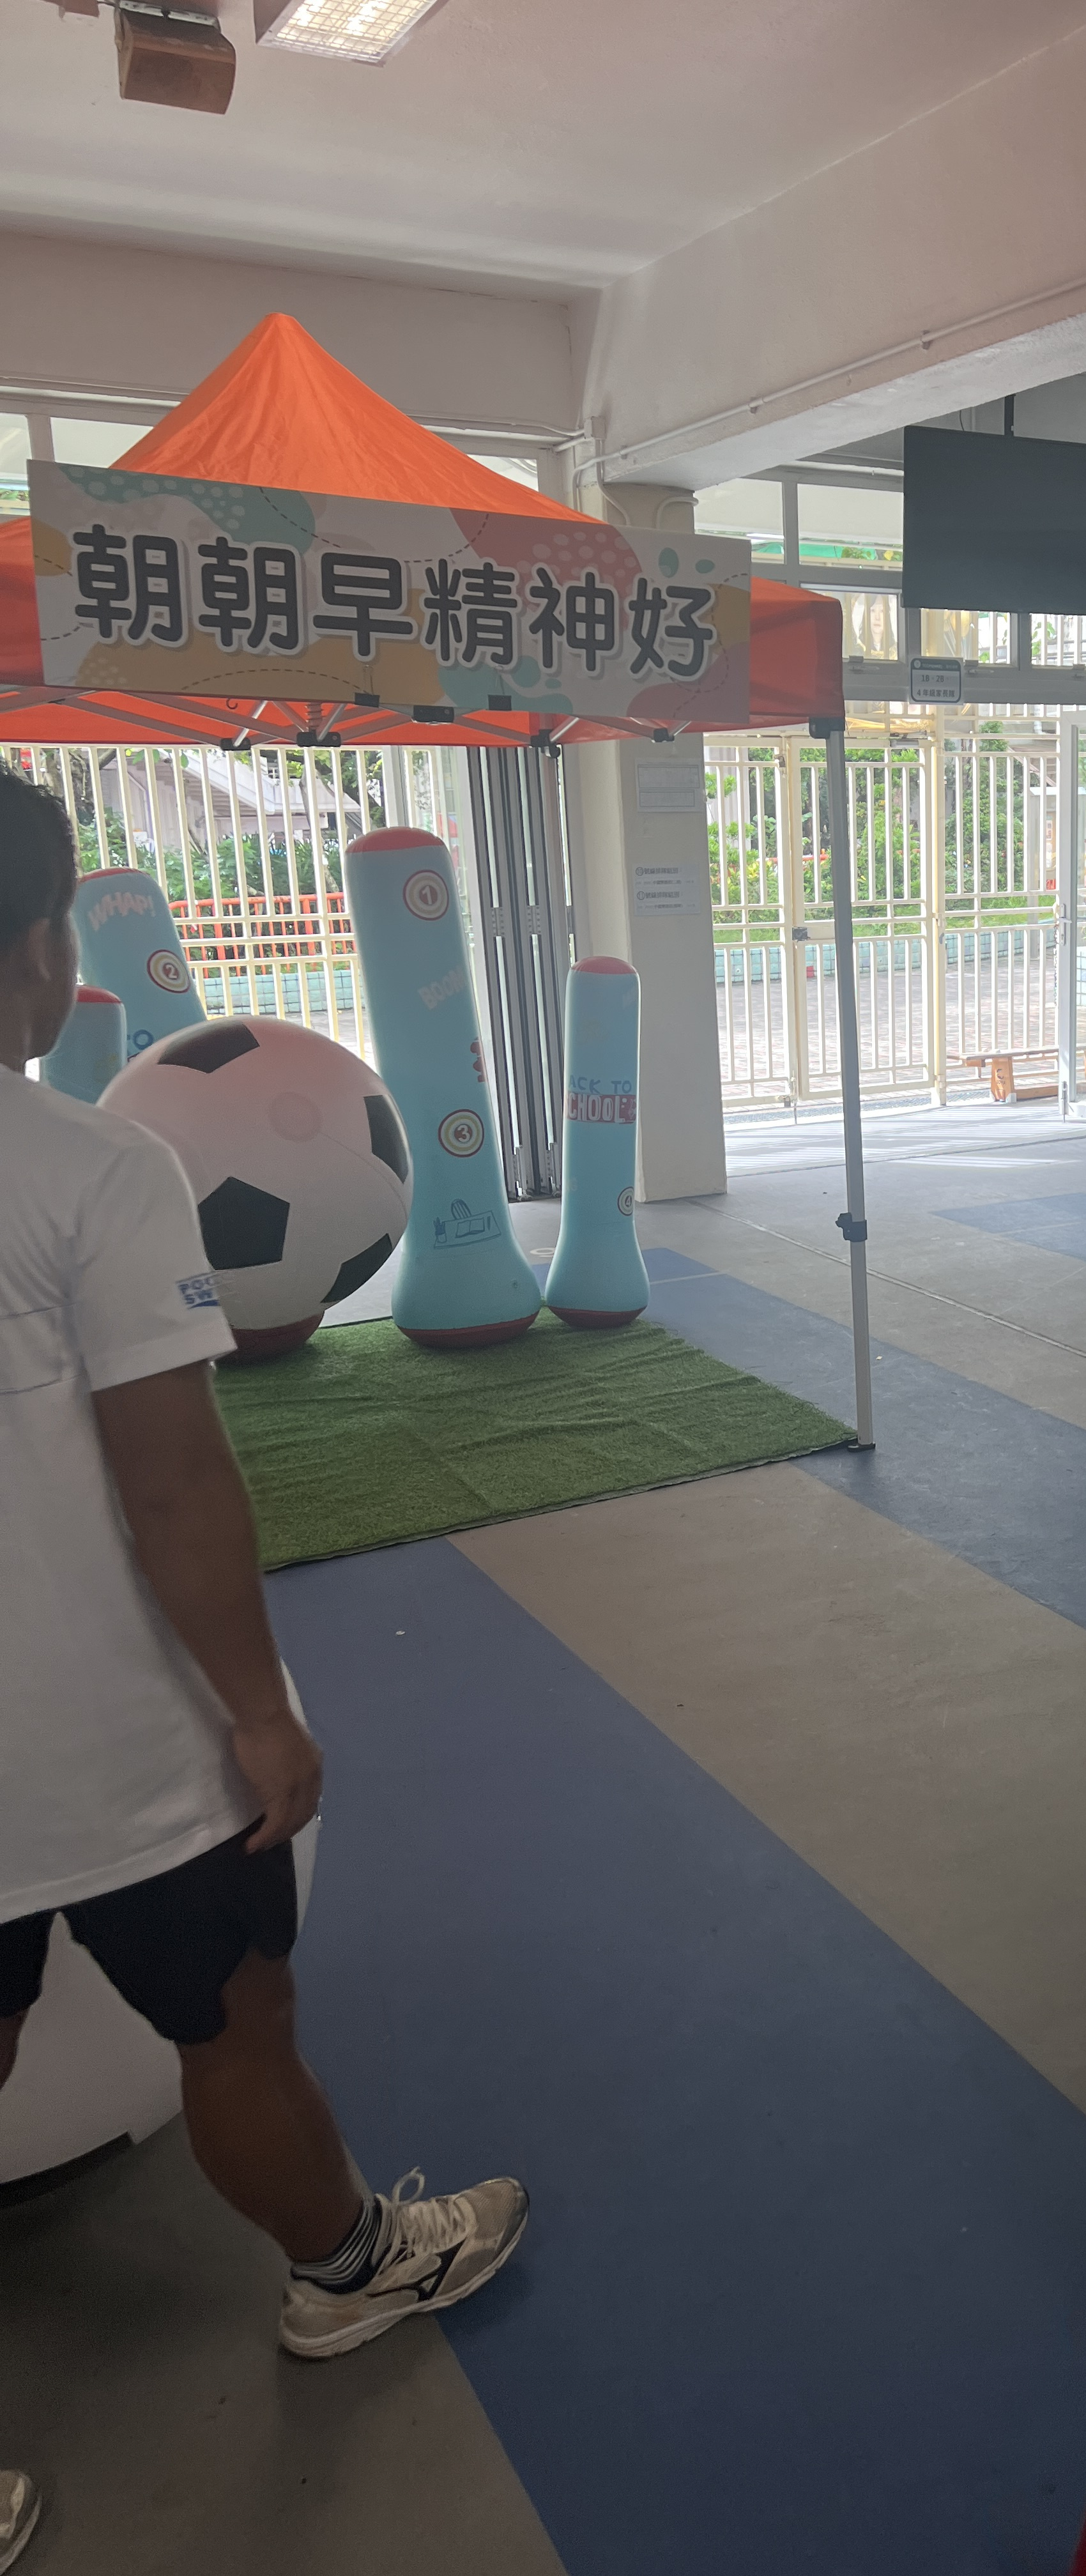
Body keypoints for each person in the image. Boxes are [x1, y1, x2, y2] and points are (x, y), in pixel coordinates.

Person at [0, 770, 526, 2574]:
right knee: (236, 2018)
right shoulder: (86, 1166)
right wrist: (259, 1712)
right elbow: (172, 1481)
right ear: (44, 949)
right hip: (99, 1745)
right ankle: (350, 2269)